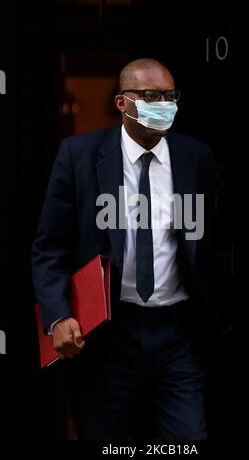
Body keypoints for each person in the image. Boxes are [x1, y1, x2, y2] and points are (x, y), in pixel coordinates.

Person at [32, 58, 226, 440]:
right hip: (110, 335)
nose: (164, 104)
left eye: (171, 96)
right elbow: (49, 247)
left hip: (178, 333)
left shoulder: (195, 157)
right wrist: (58, 316)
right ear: (123, 103)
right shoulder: (79, 155)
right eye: (151, 95)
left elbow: (211, 239)